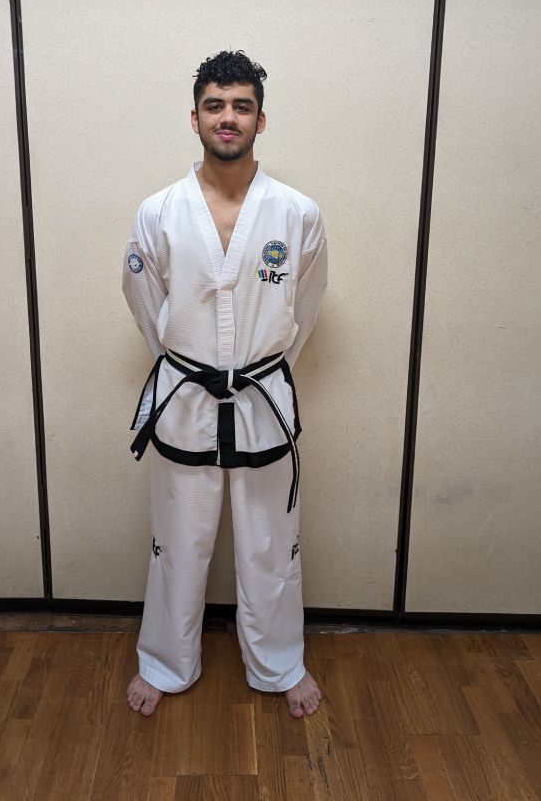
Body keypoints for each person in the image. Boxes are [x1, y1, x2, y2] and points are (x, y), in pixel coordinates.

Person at [122, 50, 328, 719]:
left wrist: (256, 365)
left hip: (263, 395)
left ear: (260, 120)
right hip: (184, 394)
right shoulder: (158, 211)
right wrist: (188, 363)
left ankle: (278, 664)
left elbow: (306, 307)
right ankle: (165, 661)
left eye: (241, 106)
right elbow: (144, 302)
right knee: (178, 542)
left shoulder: (297, 213)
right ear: (195, 118)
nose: (227, 117)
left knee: (269, 542)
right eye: (215, 105)